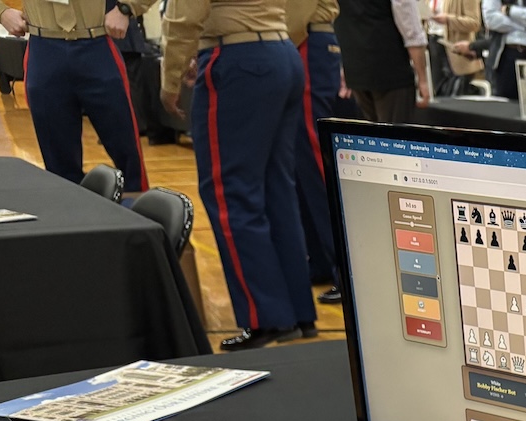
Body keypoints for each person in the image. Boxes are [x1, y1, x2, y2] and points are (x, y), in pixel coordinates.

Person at [161, 0, 318, 350]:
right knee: (278, 192)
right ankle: (297, 313)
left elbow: (183, 15)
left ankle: (265, 317)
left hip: (238, 62)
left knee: (230, 193)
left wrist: (170, 78)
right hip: (282, 52)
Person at [0, 0, 149, 192]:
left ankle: (139, 207)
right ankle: (71, 209)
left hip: (96, 45)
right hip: (45, 50)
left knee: (128, 157)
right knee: (59, 168)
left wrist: (127, 8)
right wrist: (0, 11)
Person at [289, 0, 344, 303]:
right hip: (301, 40)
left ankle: (346, 270)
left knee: (314, 159)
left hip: (307, 38)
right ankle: (323, 260)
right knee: (301, 165)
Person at [335, 0, 431, 123]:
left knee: (370, 131)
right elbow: (412, 32)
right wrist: (423, 79)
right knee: (394, 133)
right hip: (390, 71)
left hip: (355, 69)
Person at [429, 0, 484, 94]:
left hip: (455, 50)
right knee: (436, 92)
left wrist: (449, 20)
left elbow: (474, 23)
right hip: (432, 44)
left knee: (455, 92)